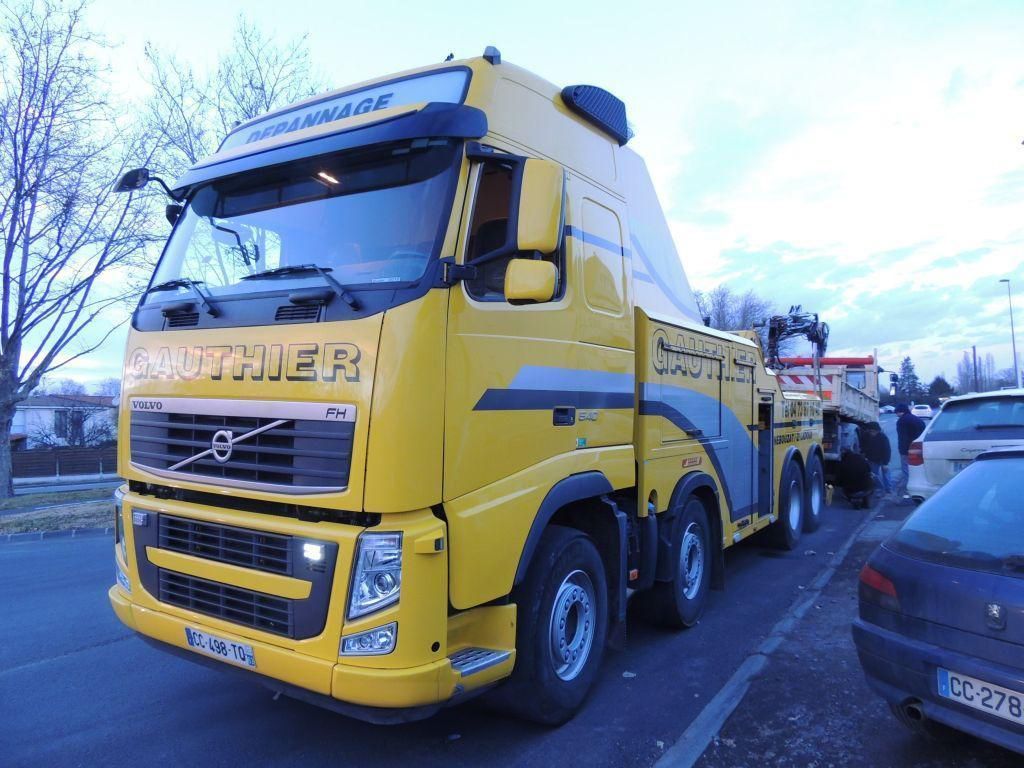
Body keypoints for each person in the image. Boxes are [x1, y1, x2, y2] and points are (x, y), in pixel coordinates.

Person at [894, 403, 926, 501]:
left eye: (897, 412)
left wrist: (902, 451)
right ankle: (920, 488)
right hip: (919, 448)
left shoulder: (901, 421)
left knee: (906, 470)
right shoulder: (918, 420)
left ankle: (907, 491)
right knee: (918, 468)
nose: (896, 414)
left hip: (907, 449)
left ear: (900, 411)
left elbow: (903, 438)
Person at [860, 421, 892, 497]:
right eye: (871, 431)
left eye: (874, 431)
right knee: (874, 475)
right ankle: (879, 489)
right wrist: (864, 455)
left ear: (877, 430)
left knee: (886, 474)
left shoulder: (883, 437)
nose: (872, 433)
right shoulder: (865, 436)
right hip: (872, 459)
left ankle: (888, 490)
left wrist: (885, 463)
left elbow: (887, 450)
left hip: (883, 458)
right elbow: (863, 447)